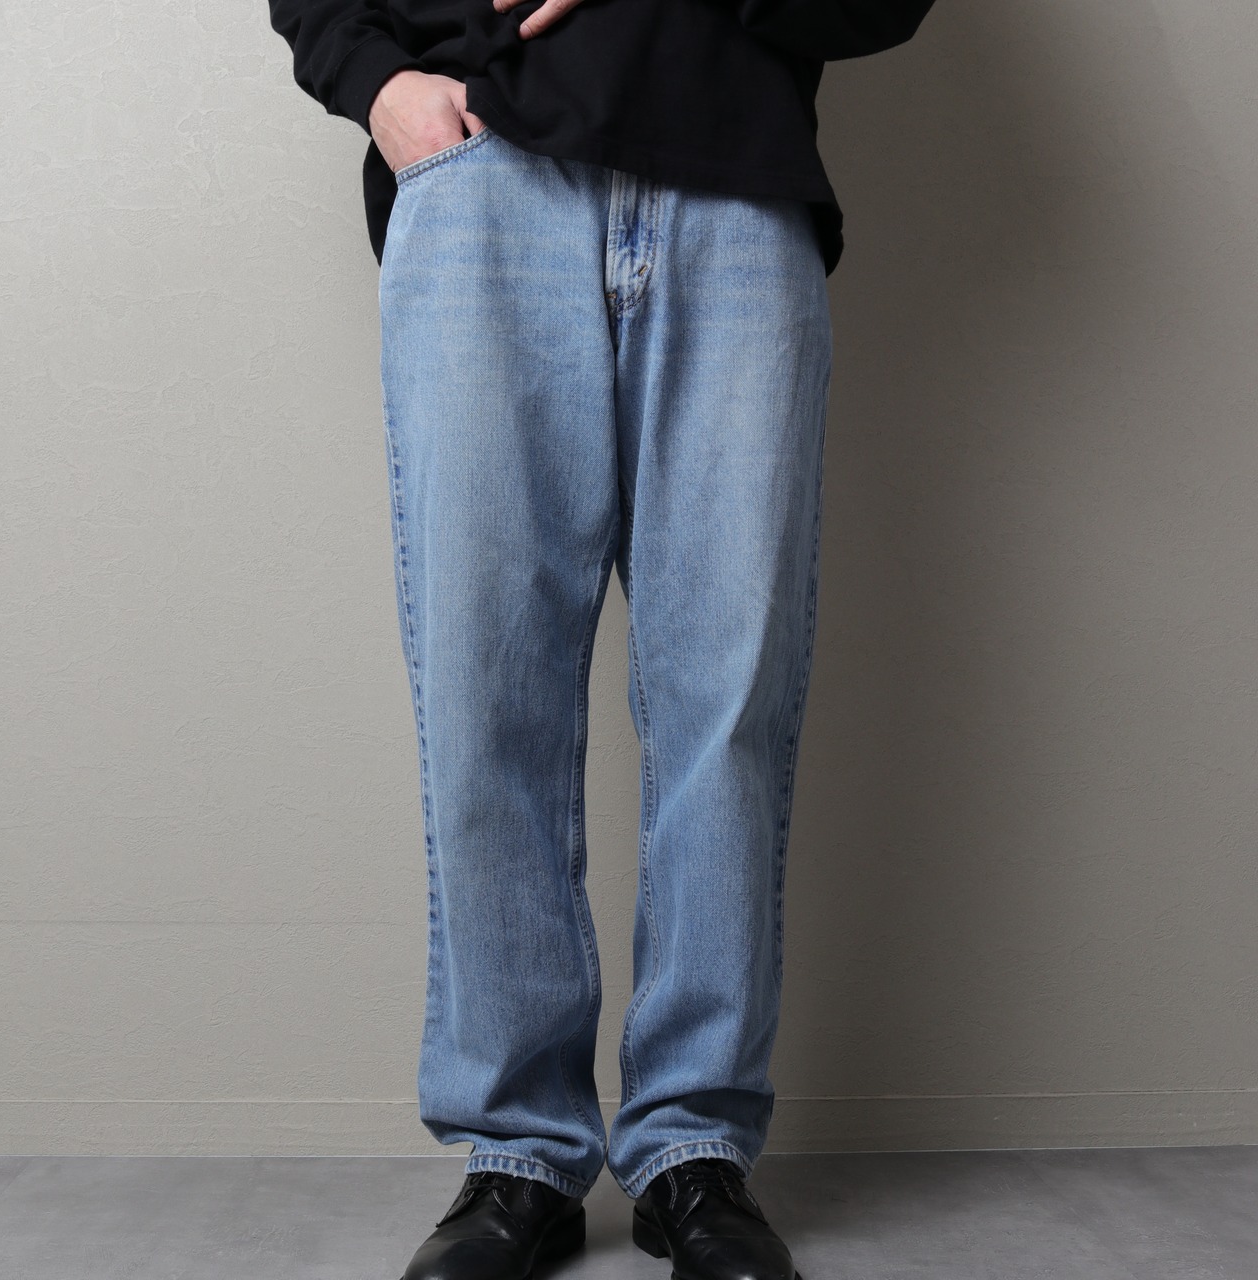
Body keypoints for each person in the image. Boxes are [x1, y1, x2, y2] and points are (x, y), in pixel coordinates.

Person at [266, 1, 938, 1277]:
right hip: (481, 181)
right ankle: (516, 1149)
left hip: (731, 189)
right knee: (485, 696)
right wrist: (379, 86)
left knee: (726, 700)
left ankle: (694, 1145)